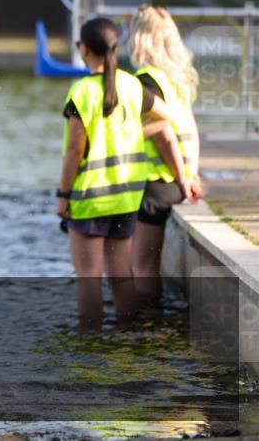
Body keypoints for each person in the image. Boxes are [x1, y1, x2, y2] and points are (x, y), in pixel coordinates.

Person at [56, 17, 192, 328]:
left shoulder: (82, 92)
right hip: (127, 196)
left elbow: (74, 151)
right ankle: (128, 335)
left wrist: (63, 195)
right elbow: (167, 116)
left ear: (84, 49)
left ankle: (90, 341)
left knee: (89, 278)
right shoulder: (131, 85)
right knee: (122, 276)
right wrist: (134, 134)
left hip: (91, 197)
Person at [128, 6, 203, 302]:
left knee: (142, 266)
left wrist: (183, 179)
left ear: (141, 38)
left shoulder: (146, 80)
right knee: (144, 264)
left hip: (156, 183)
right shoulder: (176, 80)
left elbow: (164, 135)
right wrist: (191, 173)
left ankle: (143, 321)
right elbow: (191, 130)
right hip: (173, 180)